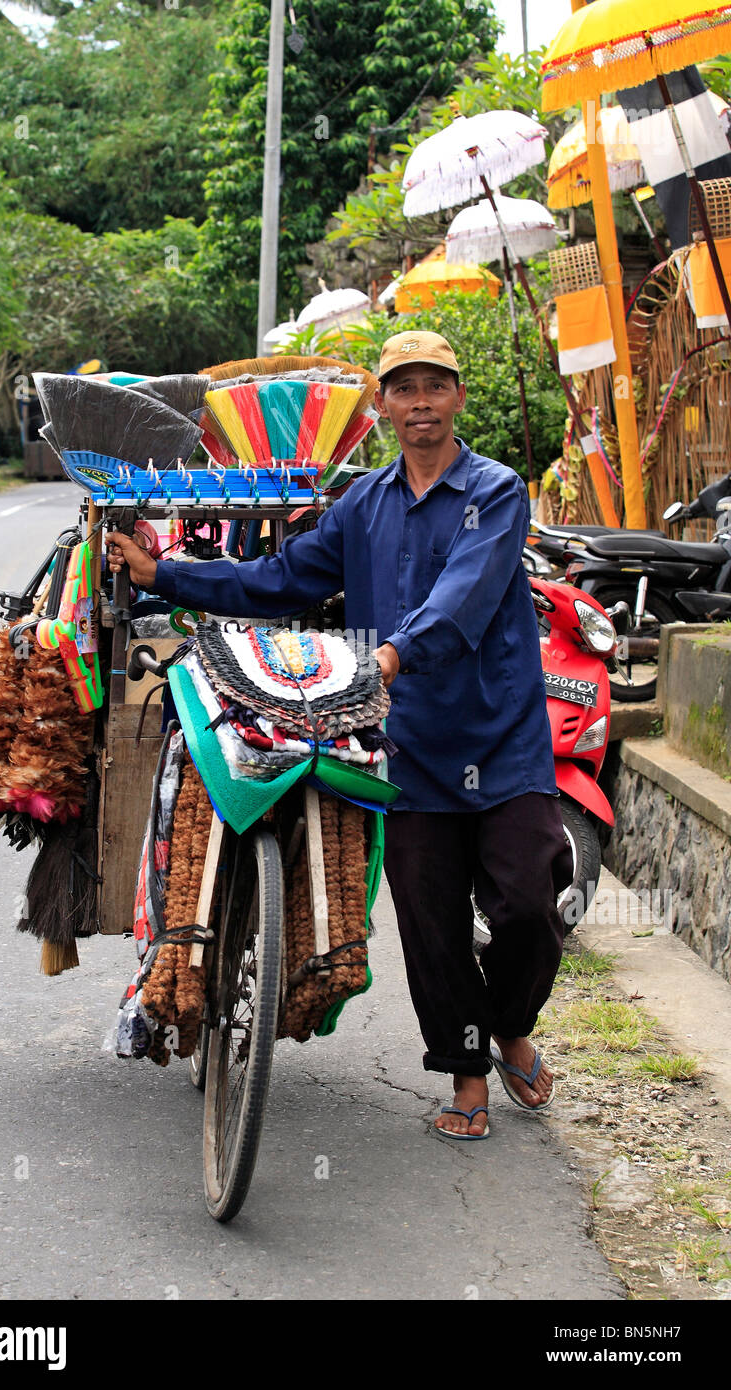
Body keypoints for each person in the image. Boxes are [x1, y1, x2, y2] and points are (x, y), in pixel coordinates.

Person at [107, 330, 570, 1142]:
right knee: (430, 919)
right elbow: (283, 578)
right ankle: (466, 1073)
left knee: (529, 901)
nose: (420, 402)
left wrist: (392, 653)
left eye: (435, 386)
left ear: (456, 398)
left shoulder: (494, 492)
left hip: (501, 738)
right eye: (404, 388)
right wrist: (168, 576)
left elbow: (464, 594)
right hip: (406, 744)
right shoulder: (363, 503)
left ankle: (510, 1021)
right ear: (385, 406)